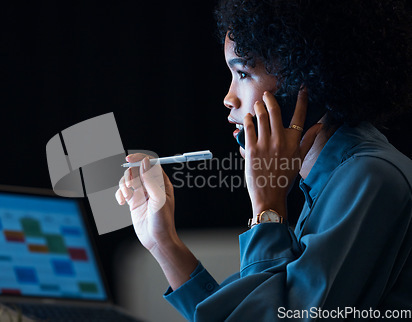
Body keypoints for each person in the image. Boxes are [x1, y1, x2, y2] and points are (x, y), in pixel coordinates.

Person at [116, 0, 412, 320]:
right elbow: (245, 314)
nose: (229, 98)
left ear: (305, 78)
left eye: (243, 72)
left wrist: (267, 210)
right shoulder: (332, 181)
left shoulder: (369, 178)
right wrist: (162, 242)